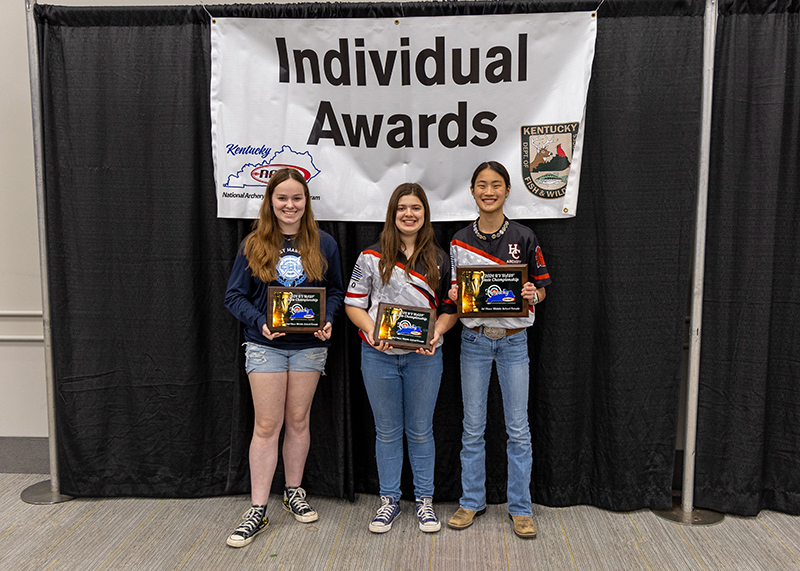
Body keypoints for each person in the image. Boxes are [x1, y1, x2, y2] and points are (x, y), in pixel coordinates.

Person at [224, 168, 344, 547]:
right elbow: (233, 297)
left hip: (309, 347)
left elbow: (336, 291)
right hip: (265, 347)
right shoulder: (253, 244)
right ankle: (258, 509)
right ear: (270, 202)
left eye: (297, 198)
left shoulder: (324, 243)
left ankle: (294, 491)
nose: (289, 205)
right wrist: (260, 322)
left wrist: (326, 319)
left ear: (306, 202)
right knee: (266, 426)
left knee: (298, 420)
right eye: (282, 198)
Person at [345, 183, 458, 534]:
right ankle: (389, 500)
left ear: (425, 214)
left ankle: (424, 500)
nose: (409, 214)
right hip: (378, 357)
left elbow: (451, 309)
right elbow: (353, 304)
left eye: (416, 208)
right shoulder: (369, 256)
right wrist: (373, 331)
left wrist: (437, 332)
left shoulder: (440, 258)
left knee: (421, 431)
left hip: (424, 358)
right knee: (388, 432)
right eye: (402, 208)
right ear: (393, 214)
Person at [447, 161, 550, 539]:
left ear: (507, 190)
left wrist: (531, 294)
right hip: (473, 341)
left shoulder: (525, 237)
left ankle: (520, 507)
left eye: (496, 185)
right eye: (481, 185)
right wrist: (455, 296)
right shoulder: (459, 240)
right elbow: (455, 294)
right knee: (472, 428)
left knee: (518, 430)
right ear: (472, 192)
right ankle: (471, 501)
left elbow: (541, 289)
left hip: (513, 342)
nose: (488, 191)